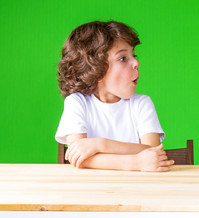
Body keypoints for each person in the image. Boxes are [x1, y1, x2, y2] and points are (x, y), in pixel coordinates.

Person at [55, 21, 174, 172]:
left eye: (133, 55)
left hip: (138, 190)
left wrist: (100, 145)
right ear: (96, 71)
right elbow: (78, 158)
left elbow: (153, 153)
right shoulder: (77, 103)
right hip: (90, 191)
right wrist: (136, 162)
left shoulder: (142, 103)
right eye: (123, 58)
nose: (136, 62)